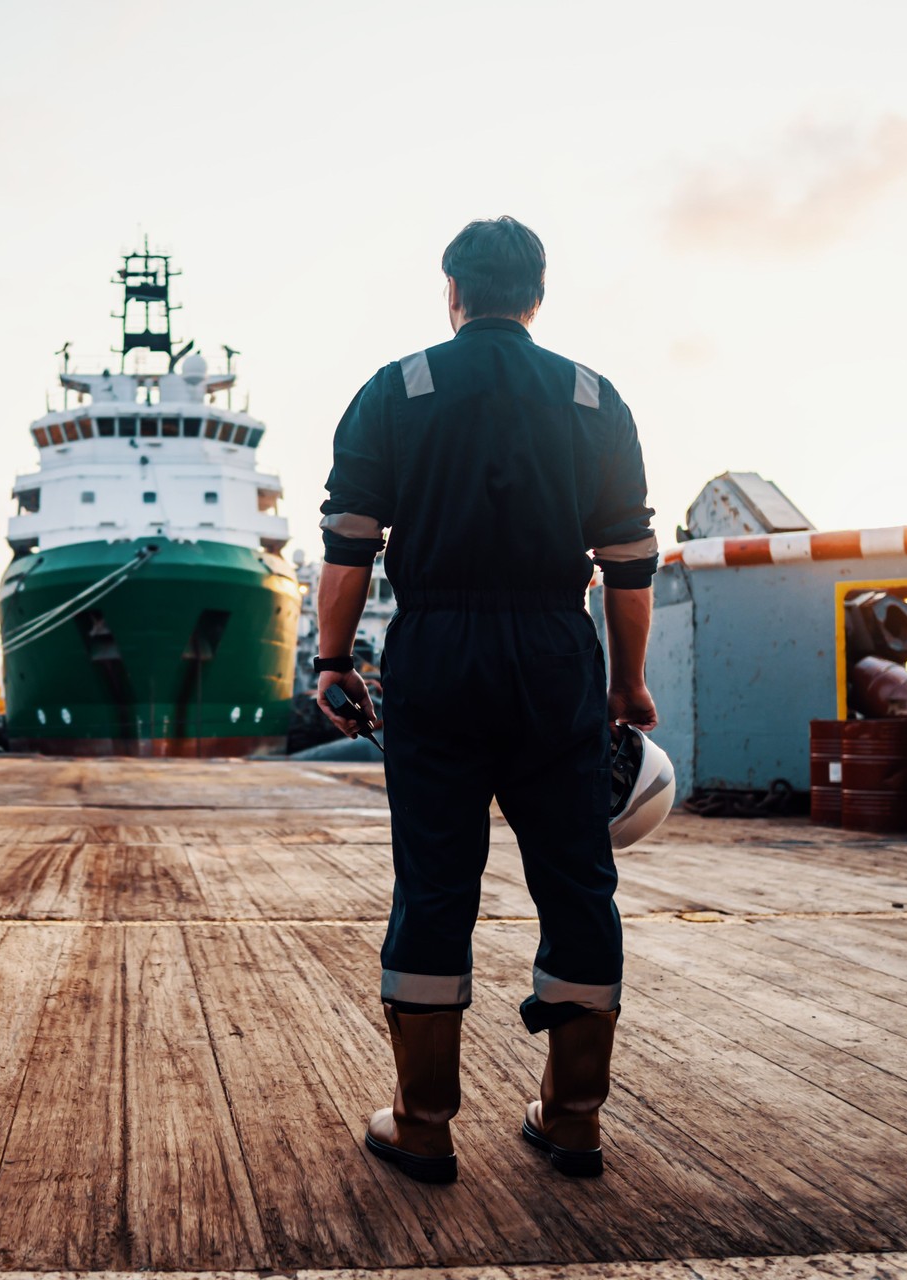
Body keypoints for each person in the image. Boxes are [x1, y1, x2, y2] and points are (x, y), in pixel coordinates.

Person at [313, 216, 659, 1184]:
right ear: (538, 297)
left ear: (453, 293)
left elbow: (350, 543)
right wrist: (626, 683)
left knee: (434, 882)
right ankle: (574, 1117)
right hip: (557, 650)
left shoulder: (397, 389)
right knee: (579, 879)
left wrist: (332, 658)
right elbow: (628, 560)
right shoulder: (595, 397)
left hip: (438, 650)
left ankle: (423, 1121)